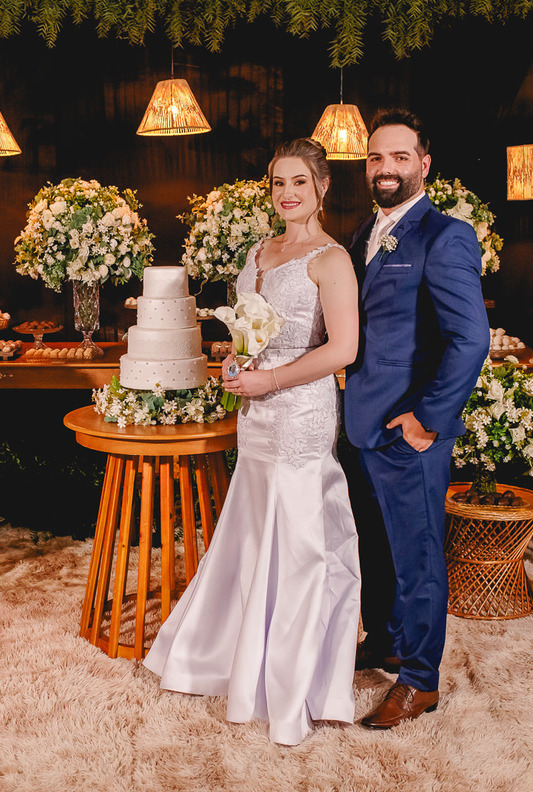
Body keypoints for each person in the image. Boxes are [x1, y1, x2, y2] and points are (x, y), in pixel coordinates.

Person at [143, 138, 361, 746]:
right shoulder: (258, 252)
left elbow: (343, 349)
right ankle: (233, 659)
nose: (286, 193)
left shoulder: (331, 259)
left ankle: (294, 685)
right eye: (276, 183)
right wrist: (234, 365)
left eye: (298, 181)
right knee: (250, 533)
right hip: (255, 412)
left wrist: (271, 379)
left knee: (297, 545)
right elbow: (248, 330)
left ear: (321, 188)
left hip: (301, 413)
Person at [343, 108, 489, 728]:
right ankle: (387, 638)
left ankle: (420, 680)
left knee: (420, 554)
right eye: (377, 157)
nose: (386, 168)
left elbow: (471, 338)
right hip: (358, 426)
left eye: (400, 157)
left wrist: (426, 420)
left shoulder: (444, 235)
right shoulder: (360, 235)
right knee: (376, 549)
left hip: (409, 432)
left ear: (424, 165)